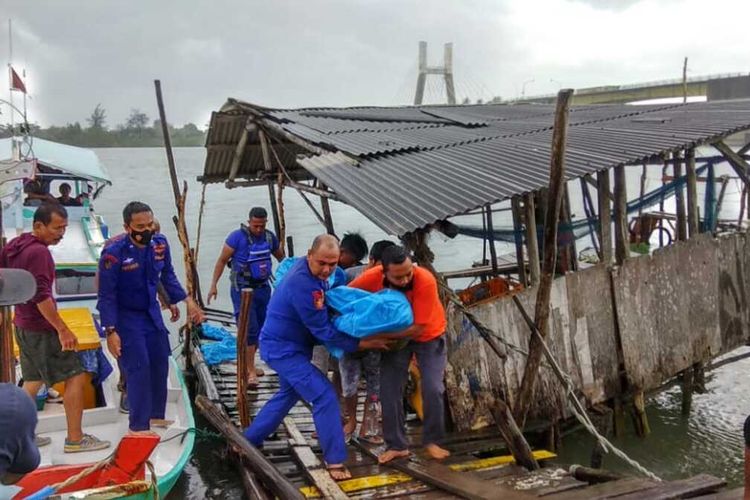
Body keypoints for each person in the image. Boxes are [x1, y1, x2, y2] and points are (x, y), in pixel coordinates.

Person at [243, 235, 391, 480]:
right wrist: (363, 342)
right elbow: (323, 331)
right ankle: (334, 461)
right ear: (309, 255)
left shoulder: (321, 275)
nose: (327, 270)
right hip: (282, 350)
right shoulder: (303, 284)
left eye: (333, 264)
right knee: (324, 395)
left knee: (287, 395)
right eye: (322, 263)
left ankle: (248, 440)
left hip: (295, 347)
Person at [0, 203, 109, 453]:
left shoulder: (15, 245)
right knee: (75, 377)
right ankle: (75, 439)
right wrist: (62, 329)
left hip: (22, 325)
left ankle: (16, 437)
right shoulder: (39, 253)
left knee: (32, 382)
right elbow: (41, 296)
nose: (61, 233)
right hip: (41, 328)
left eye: (64, 228)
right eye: (56, 228)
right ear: (38, 226)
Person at [97, 201, 204, 434]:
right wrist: (111, 331)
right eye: (140, 226)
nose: (146, 231)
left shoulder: (159, 246)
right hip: (126, 316)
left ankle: (156, 415)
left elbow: (168, 276)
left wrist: (188, 302)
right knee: (138, 367)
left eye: (149, 225)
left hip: (151, 312)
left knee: (159, 362)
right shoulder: (113, 255)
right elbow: (106, 296)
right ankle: (138, 425)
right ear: (127, 227)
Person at [349, 245, 451, 464]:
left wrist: (379, 335)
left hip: (427, 334)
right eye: (398, 277)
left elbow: (418, 328)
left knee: (433, 387)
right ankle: (397, 445)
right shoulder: (372, 277)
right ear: (383, 272)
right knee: (389, 388)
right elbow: (348, 294)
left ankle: (433, 440)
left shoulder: (425, 280)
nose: (405, 280)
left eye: (408, 274)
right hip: (396, 339)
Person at [207, 207, 284, 387]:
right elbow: (221, 261)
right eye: (256, 225)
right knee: (249, 329)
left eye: (262, 225)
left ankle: (249, 363)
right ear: (249, 222)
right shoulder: (236, 238)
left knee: (262, 328)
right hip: (242, 290)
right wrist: (213, 285)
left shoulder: (269, 237)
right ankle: (249, 369)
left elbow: (283, 260)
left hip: (263, 289)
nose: (258, 229)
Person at [339, 240, 396, 443]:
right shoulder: (350, 275)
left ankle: (368, 426)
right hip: (351, 340)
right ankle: (351, 420)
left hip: (377, 340)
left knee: (375, 385)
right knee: (349, 385)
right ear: (371, 261)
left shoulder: (393, 279)